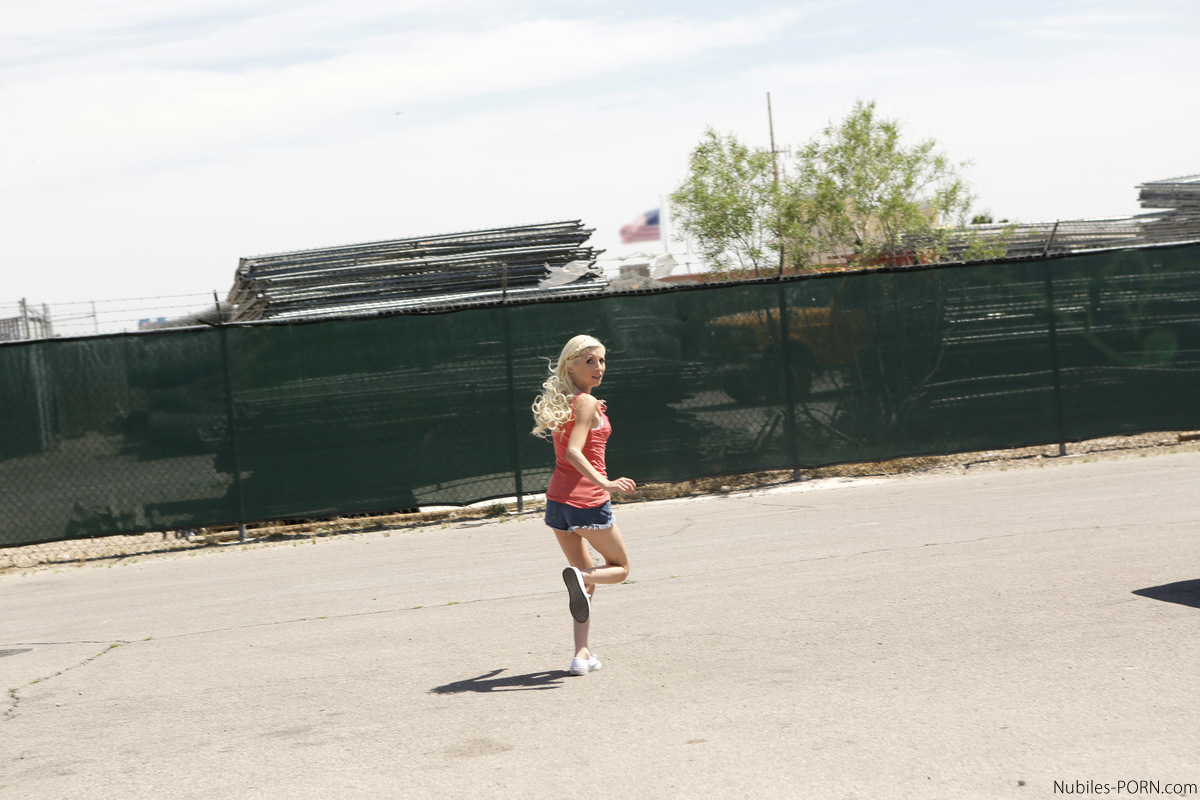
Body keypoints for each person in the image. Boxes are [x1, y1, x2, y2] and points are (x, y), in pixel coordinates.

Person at [531, 334, 636, 676]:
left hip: (557, 505)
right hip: (587, 502)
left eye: (602, 360)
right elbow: (575, 453)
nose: (598, 367)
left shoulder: (569, 403)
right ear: (571, 366)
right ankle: (579, 577)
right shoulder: (585, 403)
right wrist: (606, 483)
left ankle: (581, 655)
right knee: (620, 569)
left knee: (586, 584)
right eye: (589, 361)